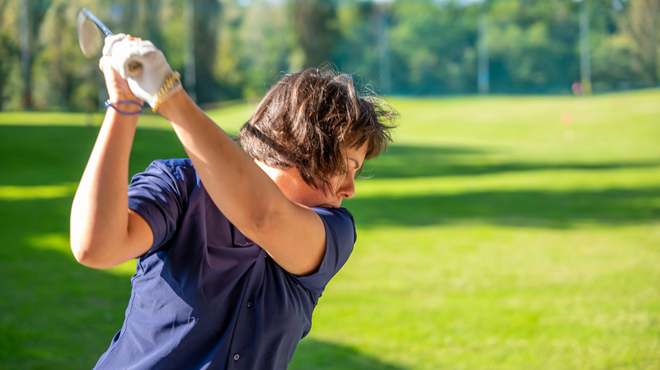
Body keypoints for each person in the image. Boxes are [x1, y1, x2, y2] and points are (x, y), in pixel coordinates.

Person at [70, 34, 396, 370]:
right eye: (347, 168)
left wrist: (168, 94)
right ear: (300, 146)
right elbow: (94, 246)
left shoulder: (337, 231)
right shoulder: (179, 185)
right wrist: (124, 104)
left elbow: (263, 218)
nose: (349, 190)